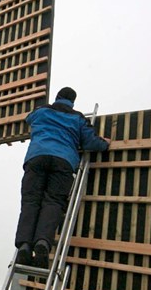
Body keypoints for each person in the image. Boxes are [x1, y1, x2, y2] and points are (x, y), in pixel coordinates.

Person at [14, 87, 110, 268]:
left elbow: (28, 119)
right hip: (63, 161)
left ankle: (24, 245)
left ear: (57, 97)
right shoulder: (78, 118)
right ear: (73, 102)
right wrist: (105, 144)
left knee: (30, 202)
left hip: (37, 158)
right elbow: (90, 142)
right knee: (53, 202)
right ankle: (43, 242)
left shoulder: (41, 111)